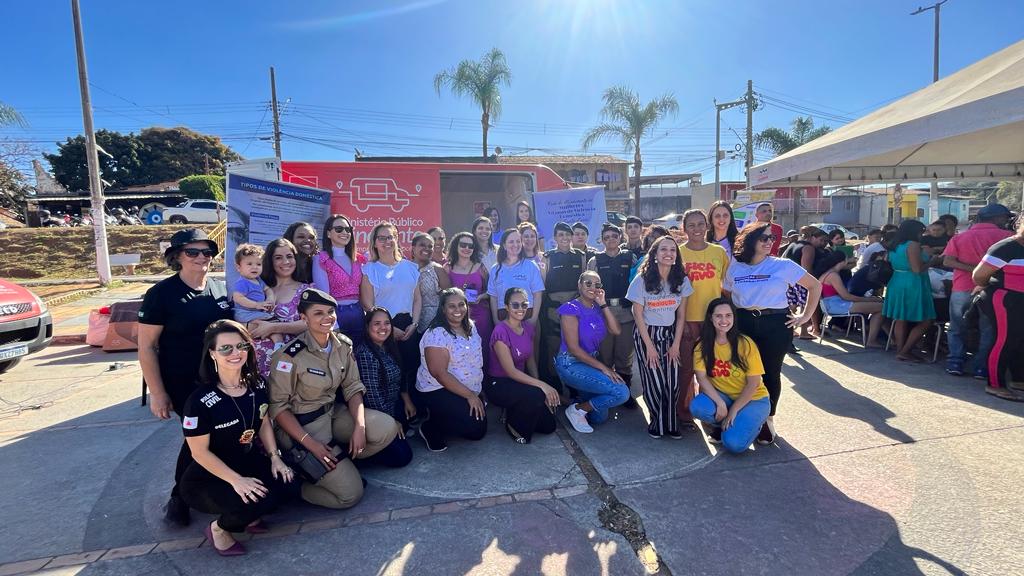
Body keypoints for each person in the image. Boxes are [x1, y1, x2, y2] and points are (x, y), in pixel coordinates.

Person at [268, 289, 408, 510]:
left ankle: (339, 462)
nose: (327, 318)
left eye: (331, 312)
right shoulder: (288, 356)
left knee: (385, 428)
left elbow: (352, 387)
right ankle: (295, 486)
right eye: (318, 313)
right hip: (303, 427)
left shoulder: (343, 344)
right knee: (350, 495)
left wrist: (360, 427)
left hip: (333, 414)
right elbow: (278, 408)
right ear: (303, 318)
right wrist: (312, 445)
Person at [138, 228, 234, 526]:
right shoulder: (161, 295)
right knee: (200, 437)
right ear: (177, 256)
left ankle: (211, 489)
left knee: (218, 436)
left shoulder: (219, 290)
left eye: (207, 252)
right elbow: (147, 347)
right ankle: (180, 498)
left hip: (219, 381)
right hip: (182, 384)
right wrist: (158, 392)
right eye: (192, 252)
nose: (201, 258)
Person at [180, 320, 294, 556]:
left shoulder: (257, 384)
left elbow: (263, 422)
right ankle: (219, 529)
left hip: (248, 462)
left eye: (242, 346)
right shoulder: (199, 400)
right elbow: (199, 453)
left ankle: (249, 516)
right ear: (212, 353)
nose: (236, 353)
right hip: (209, 477)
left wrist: (275, 457)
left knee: (286, 484)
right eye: (226, 348)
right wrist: (236, 480)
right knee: (252, 500)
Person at [724, 222, 821, 444]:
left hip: (775, 323)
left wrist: (804, 317)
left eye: (771, 238)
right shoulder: (735, 267)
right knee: (742, 373)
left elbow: (815, 286)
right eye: (764, 238)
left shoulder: (783, 265)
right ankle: (740, 416)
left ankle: (767, 420)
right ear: (750, 240)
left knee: (770, 373)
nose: (769, 242)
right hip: (744, 323)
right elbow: (727, 295)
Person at [627, 236, 693, 438]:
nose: (669, 253)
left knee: (672, 383)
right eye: (663, 249)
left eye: (673, 250)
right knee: (655, 382)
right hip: (647, 333)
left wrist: (675, 345)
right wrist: (650, 347)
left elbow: (681, 316)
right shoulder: (642, 280)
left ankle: (671, 423)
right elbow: (637, 314)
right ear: (654, 254)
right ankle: (657, 423)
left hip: (671, 333)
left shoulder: (681, 280)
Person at [689, 298, 771, 454]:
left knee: (733, 444)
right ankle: (725, 424)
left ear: (734, 317)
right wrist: (720, 403)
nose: (724, 320)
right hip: (724, 397)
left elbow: (753, 384)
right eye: (718, 316)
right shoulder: (702, 345)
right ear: (710, 318)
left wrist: (733, 411)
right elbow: (701, 378)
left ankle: (754, 423)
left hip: (753, 399)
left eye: (728, 315)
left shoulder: (746, 344)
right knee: (698, 407)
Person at [942, 204, 1014, 378]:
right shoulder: (1008, 237)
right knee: (988, 329)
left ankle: (955, 362)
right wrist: (984, 270)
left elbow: (948, 262)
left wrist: (972, 269)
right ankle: (981, 367)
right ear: (997, 218)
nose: (1007, 221)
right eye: (1005, 217)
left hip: (962, 288)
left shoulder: (961, 237)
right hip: (993, 289)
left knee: (957, 327)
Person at [416, 288, 488, 451]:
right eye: (451, 306)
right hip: (437, 389)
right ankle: (430, 426)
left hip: (464, 388)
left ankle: (451, 413)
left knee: (478, 425)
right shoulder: (436, 334)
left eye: (461, 304)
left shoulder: (470, 326)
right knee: (476, 430)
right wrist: (470, 396)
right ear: (442, 309)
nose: (458, 310)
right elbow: (439, 374)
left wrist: (476, 391)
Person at [558, 271, 630, 433]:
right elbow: (574, 349)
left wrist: (603, 304)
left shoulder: (598, 307)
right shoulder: (571, 309)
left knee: (598, 418)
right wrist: (604, 368)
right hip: (570, 363)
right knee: (621, 393)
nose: (592, 287)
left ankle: (577, 405)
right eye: (588, 283)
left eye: (597, 285)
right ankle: (576, 411)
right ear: (579, 285)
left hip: (589, 362)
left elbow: (616, 330)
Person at [676, 209, 729, 423]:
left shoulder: (718, 252)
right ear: (684, 228)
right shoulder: (678, 253)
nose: (696, 229)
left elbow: (726, 286)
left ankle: (711, 412)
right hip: (686, 320)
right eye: (691, 225)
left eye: (700, 224)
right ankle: (683, 413)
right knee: (687, 370)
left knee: (713, 369)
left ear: (707, 226)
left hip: (714, 321)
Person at [487, 287, 559, 444]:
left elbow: (530, 359)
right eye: (515, 305)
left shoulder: (528, 327)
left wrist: (540, 385)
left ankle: (513, 409)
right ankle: (513, 425)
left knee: (549, 427)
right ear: (506, 306)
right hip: (499, 384)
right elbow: (511, 372)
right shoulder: (500, 331)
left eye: (524, 304)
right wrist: (542, 387)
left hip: (519, 382)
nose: (520, 309)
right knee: (536, 394)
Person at [361, 222, 422, 395]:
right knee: (391, 374)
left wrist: (415, 324)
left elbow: (417, 299)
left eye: (391, 237)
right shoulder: (369, 270)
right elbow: (368, 305)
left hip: (409, 326)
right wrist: (388, 328)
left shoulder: (410, 267)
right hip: (384, 328)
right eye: (382, 238)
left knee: (411, 371)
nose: (387, 241)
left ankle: (413, 414)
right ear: (374, 242)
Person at [973, 215, 1024, 400]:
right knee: (1004, 340)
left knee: (1020, 339)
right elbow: (979, 276)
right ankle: (995, 384)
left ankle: (1018, 379)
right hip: (1004, 298)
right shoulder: (1005, 247)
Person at [587, 223, 638, 399]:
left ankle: (625, 393)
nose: (610, 240)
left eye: (614, 236)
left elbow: (637, 282)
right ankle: (607, 391)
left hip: (625, 312)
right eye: (606, 237)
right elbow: (589, 288)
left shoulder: (629, 257)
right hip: (603, 312)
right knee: (605, 356)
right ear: (602, 240)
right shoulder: (595, 260)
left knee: (624, 356)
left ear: (620, 238)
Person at [250, 239, 313, 377]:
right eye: (278, 257)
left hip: (288, 366)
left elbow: (311, 323)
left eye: (289, 256)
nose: (286, 262)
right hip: (255, 366)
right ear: (270, 262)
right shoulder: (257, 289)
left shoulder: (306, 291)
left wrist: (273, 327)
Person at [354, 307, 417, 433]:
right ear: (367, 327)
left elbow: (401, 375)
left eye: (387, 323)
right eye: (377, 324)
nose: (383, 327)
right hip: (377, 413)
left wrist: (407, 400)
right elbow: (372, 397)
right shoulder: (365, 354)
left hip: (394, 404)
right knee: (402, 452)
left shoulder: (389, 346)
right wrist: (390, 422)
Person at [541, 222, 588, 389]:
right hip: (553, 309)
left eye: (567, 234)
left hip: (574, 308)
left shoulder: (581, 256)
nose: (565, 238)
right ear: (554, 238)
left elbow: (583, 284)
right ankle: (555, 384)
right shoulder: (547, 257)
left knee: (574, 345)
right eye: (561, 235)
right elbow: (543, 285)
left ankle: (574, 384)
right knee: (554, 344)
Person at [882, 220, 936, 362]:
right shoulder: (912, 245)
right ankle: (906, 350)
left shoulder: (895, 244)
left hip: (897, 280)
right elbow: (917, 269)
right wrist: (932, 261)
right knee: (927, 320)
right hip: (912, 283)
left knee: (900, 318)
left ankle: (901, 349)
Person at [313, 214, 366, 346]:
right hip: (337, 314)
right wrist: (333, 323)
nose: (344, 233)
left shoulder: (358, 259)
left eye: (348, 230)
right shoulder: (321, 258)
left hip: (358, 313)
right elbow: (323, 295)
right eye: (339, 229)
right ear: (328, 233)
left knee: (358, 358)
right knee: (339, 357)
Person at [446, 231, 493, 371]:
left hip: (480, 315)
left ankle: (484, 386)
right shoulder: (448, 268)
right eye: (463, 245)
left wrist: (481, 297)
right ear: (456, 246)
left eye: (470, 246)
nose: (467, 248)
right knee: (459, 352)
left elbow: (491, 292)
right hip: (457, 318)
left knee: (483, 349)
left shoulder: (481, 267)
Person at [817, 252, 885, 346]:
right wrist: (870, 299)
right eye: (847, 259)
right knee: (881, 307)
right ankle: (871, 340)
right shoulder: (833, 275)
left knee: (880, 306)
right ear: (842, 261)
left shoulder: (828, 273)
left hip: (832, 304)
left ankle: (889, 338)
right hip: (836, 305)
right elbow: (846, 296)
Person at [488, 227, 544, 327]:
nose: (515, 245)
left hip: (527, 315)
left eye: (518, 241)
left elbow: (537, 295)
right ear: (504, 245)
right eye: (511, 242)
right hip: (504, 316)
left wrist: (533, 319)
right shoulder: (495, 269)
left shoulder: (530, 266)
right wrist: (496, 320)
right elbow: (493, 298)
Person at [782, 226, 829, 339]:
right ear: (812, 237)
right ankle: (804, 332)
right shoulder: (809, 248)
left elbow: (783, 258)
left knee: (791, 305)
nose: (823, 243)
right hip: (800, 279)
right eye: (821, 240)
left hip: (788, 278)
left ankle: (788, 329)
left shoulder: (793, 244)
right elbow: (806, 268)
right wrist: (813, 282)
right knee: (805, 304)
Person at [231, 243, 282, 347]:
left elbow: (268, 290)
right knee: (272, 324)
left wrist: (270, 299)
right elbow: (238, 298)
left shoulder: (258, 280)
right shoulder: (242, 282)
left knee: (273, 325)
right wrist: (256, 305)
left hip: (255, 313)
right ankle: (278, 345)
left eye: (258, 264)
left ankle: (278, 345)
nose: (254, 267)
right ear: (238, 267)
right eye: (249, 264)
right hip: (246, 313)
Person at [411, 231, 452, 334]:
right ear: (413, 247)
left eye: (430, 246)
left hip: (434, 326)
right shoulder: (405, 268)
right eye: (422, 245)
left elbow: (450, 298)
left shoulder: (437, 270)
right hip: (408, 324)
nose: (427, 249)